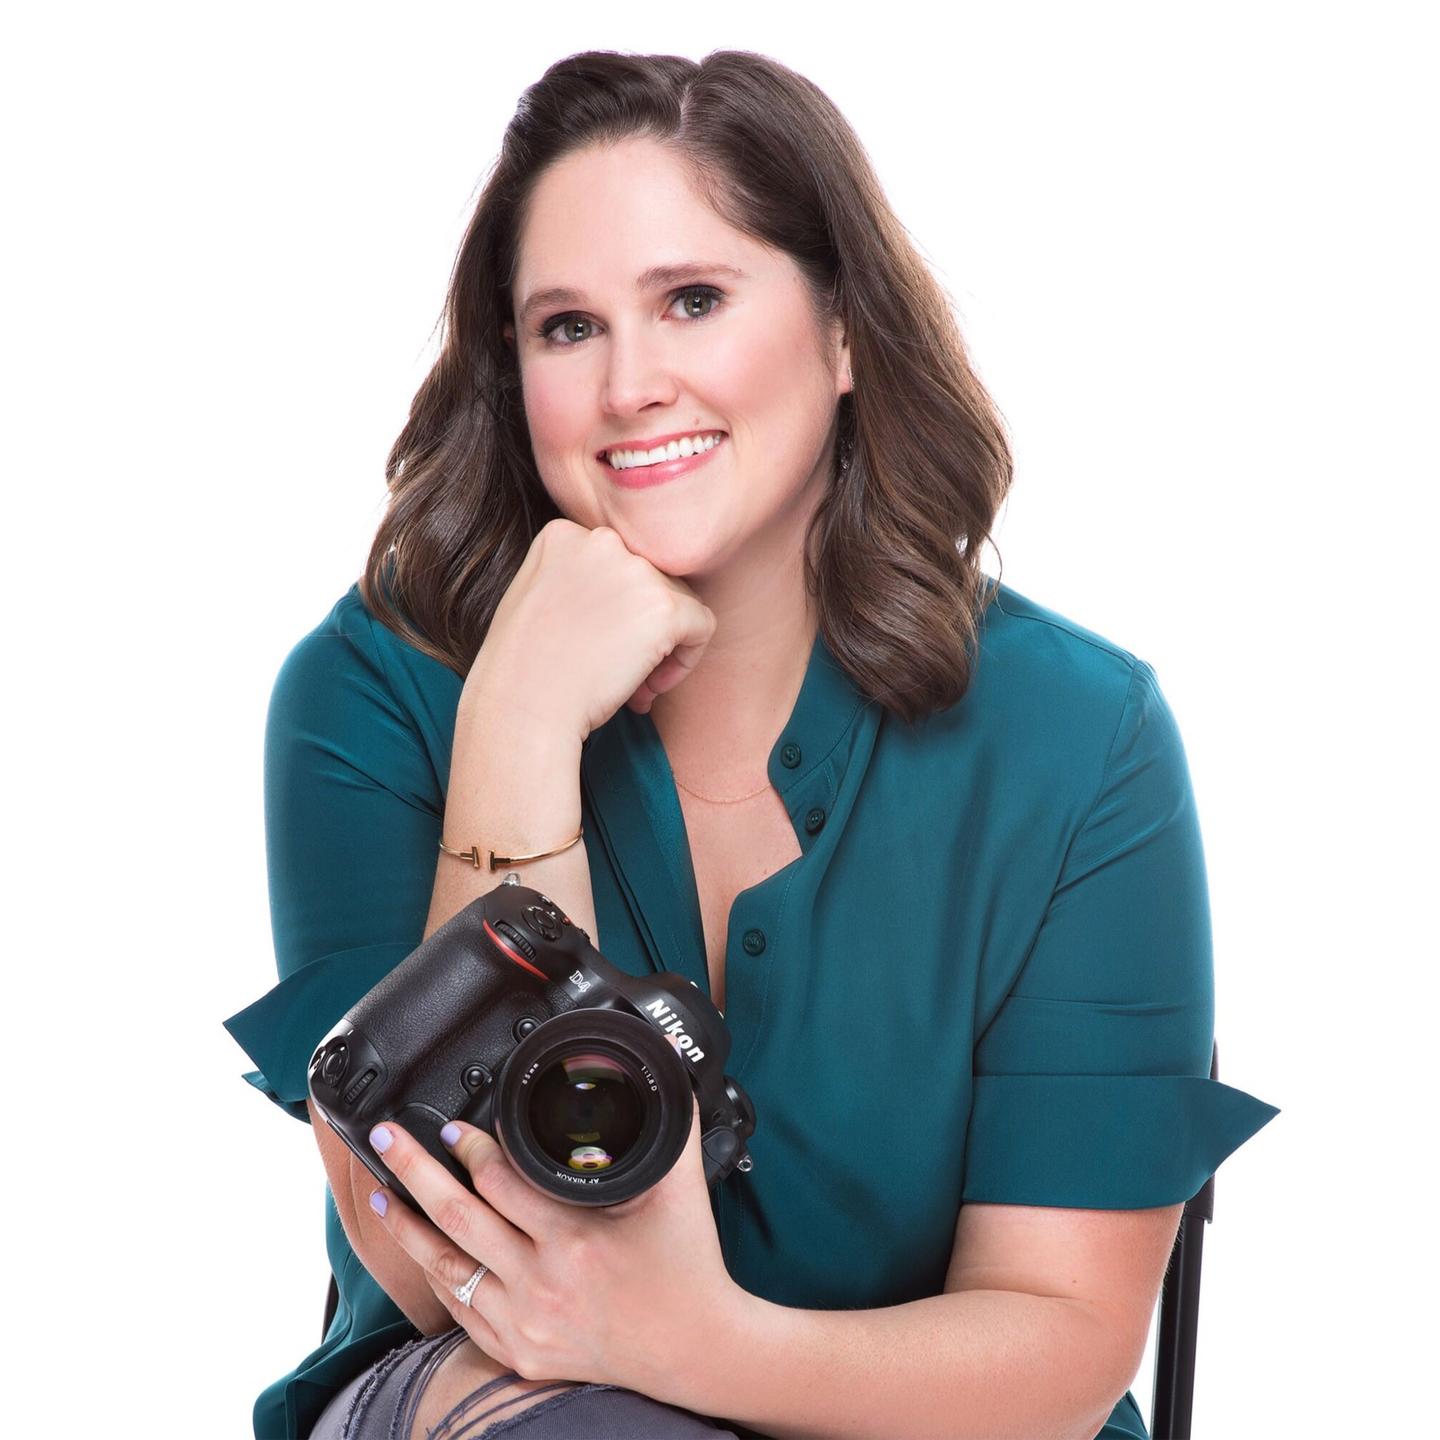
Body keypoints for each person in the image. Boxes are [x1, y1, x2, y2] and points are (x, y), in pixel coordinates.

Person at [223, 48, 1281, 1440]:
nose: (630, 386)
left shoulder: (1077, 738)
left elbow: (1061, 1338)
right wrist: (519, 730)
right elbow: (453, 1264)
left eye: (694, 301)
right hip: (516, 1403)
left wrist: (694, 1344)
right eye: (566, 327)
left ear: (844, 336)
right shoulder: (375, 691)